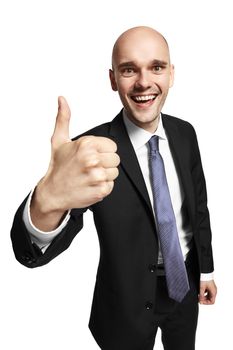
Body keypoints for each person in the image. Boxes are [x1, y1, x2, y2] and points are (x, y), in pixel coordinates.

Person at [11, 26, 217, 350]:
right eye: (129, 69)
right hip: (124, 306)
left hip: (185, 288)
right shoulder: (90, 153)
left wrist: (206, 271)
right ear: (112, 79)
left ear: (172, 74)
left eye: (156, 67)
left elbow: (198, 209)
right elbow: (33, 248)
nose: (144, 82)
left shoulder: (185, 134)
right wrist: (47, 200)